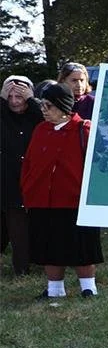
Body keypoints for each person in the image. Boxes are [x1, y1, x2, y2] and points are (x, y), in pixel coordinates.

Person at [20, 84, 100, 298]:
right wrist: (28, 188)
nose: (43, 110)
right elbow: (29, 162)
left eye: (48, 106)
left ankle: (88, 288)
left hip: (73, 200)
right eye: (42, 105)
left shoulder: (83, 128)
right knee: (48, 246)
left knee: (81, 246)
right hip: (41, 200)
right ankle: (55, 290)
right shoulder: (40, 129)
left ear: (63, 106)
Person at [1, 75, 41, 277]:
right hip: (8, 179)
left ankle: (41, 261)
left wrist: (33, 100)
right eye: (10, 97)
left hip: (35, 178)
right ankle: (21, 269)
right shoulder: (3, 115)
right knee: (16, 226)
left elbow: (48, 117)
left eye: (20, 97)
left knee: (38, 224)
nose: (15, 102)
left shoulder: (36, 114)